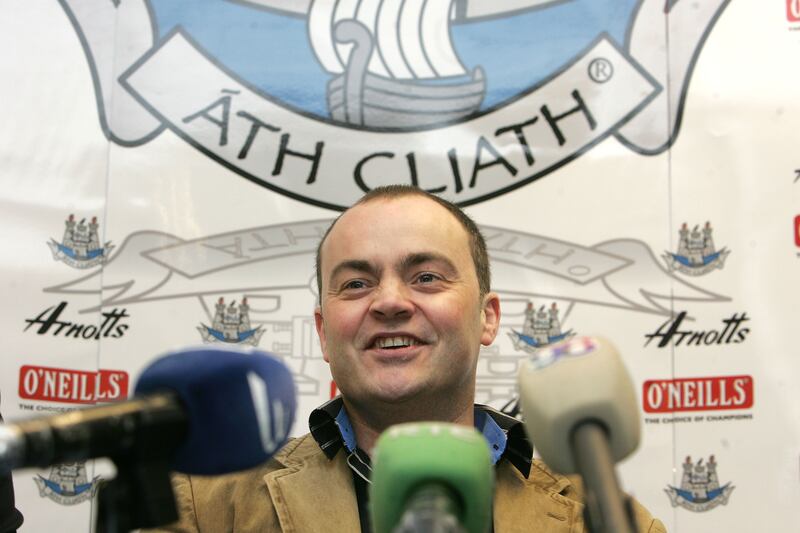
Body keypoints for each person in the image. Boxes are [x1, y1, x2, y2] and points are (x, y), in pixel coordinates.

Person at [150, 186, 665, 532]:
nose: (390, 302)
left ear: (487, 318)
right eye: (356, 283)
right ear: (325, 334)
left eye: (426, 277)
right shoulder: (200, 510)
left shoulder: (603, 518)